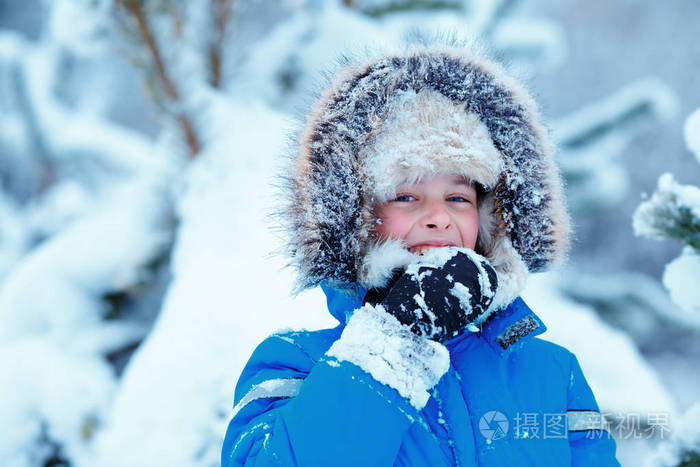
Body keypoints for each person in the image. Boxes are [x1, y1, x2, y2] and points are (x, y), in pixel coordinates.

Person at [221, 40, 621, 466]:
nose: (438, 218)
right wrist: (392, 338)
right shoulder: (294, 364)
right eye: (407, 195)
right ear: (358, 219)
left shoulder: (552, 372)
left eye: (458, 198)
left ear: (492, 220)